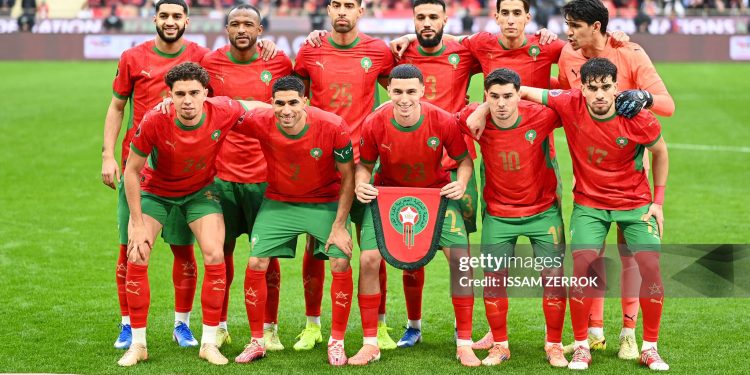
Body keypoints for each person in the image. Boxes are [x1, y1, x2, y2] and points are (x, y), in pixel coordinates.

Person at [521, 57, 670, 371]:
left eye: (606, 87)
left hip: (634, 204)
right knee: (582, 268)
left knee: (651, 269)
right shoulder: (569, 101)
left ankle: (650, 347)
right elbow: (520, 90)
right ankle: (580, 347)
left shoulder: (638, 117)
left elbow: (660, 152)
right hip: (589, 205)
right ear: (582, 89)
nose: (600, 94)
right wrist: (482, 107)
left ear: (616, 87)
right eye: (593, 88)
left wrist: (658, 202)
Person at [118, 62, 267, 367]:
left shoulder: (223, 109)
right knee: (137, 254)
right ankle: (138, 344)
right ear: (169, 95)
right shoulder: (154, 119)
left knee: (214, 254)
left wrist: (294, 111)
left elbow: (256, 105)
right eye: (180, 93)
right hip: (155, 191)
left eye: (194, 93)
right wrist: (136, 224)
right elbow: (131, 171)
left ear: (206, 94)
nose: (187, 100)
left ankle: (209, 343)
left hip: (200, 192)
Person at [556, 0, 675, 359]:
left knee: (631, 257)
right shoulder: (566, 54)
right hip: (591, 181)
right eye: (566, 25)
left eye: (575, 25)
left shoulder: (630, 52)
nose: (568, 31)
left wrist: (643, 96)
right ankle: (592, 335)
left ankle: (628, 333)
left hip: (629, 178)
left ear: (596, 26)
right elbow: (563, 93)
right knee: (589, 258)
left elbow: (667, 105)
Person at [350, 64, 479, 367]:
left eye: (411, 91)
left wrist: (460, 183)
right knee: (368, 260)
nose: (404, 98)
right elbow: (365, 166)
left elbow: (464, 161)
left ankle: (465, 343)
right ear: (388, 91)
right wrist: (360, 184)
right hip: (387, 198)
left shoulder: (442, 120)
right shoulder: (374, 122)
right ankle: (370, 343)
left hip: (436, 197)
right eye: (397, 91)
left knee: (461, 259)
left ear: (422, 91)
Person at [101, 0, 209, 351]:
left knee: (183, 251)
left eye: (177, 16)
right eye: (164, 15)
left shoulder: (202, 57)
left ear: (187, 21)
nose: (170, 21)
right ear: (155, 19)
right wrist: (107, 154)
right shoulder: (133, 57)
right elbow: (117, 106)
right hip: (139, 172)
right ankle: (128, 324)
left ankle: (183, 324)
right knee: (129, 249)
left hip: (185, 172)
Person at [293, 0, 397, 351]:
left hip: (367, 164)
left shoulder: (378, 51)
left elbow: (398, 92)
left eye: (348, 5)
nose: (341, 11)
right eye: (335, 4)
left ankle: (380, 326)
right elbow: (295, 98)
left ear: (360, 11)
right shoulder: (310, 51)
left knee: (374, 247)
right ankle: (312, 325)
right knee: (316, 243)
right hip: (322, 164)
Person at [231, 76, 356, 367]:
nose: (286, 110)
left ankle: (336, 342)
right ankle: (257, 341)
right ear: (270, 103)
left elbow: (348, 176)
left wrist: (338, 226)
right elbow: (228, 108)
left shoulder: (333, 125)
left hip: (324, 202)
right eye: (279, 103)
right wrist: (182, 102)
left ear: (305, 102)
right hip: (279, 201)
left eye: (292, 102)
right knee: (256, 262)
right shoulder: (262, 120)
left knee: (340, 261)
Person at [456, 68, 568, 367]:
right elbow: (440, 122)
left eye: (508, 96)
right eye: (494, 97)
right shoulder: (473, 119)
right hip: (499, 216)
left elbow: (575, 103)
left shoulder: (542, 116)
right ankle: (500, 346)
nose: (502, 103)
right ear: (486, 97)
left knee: (554, 281)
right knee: (492, 282)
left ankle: (554, 346)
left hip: (543, 213)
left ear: (519, 95)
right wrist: (480, 110)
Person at [199, 3, 293, 350]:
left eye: (248, 24)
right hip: (221, 175)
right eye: (235, 23)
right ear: (226, 30)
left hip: (267, 176)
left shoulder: (279, 63)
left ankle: (269, 328)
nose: (242, 29)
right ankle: (220, 325)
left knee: (266, 257)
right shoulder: (210, 64)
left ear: (260, 30)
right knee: (221, 254)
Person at [389, 0, 481, 348]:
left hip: (455, 168)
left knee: (460, 256)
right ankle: (413, 326)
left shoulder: (465, 51)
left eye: (433, 17)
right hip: (410, 169)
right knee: (410, 254)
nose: (426, 23)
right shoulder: (399, 52)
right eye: (420, 17)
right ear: (412, 19)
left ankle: (464, 331)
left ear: (446, 19)